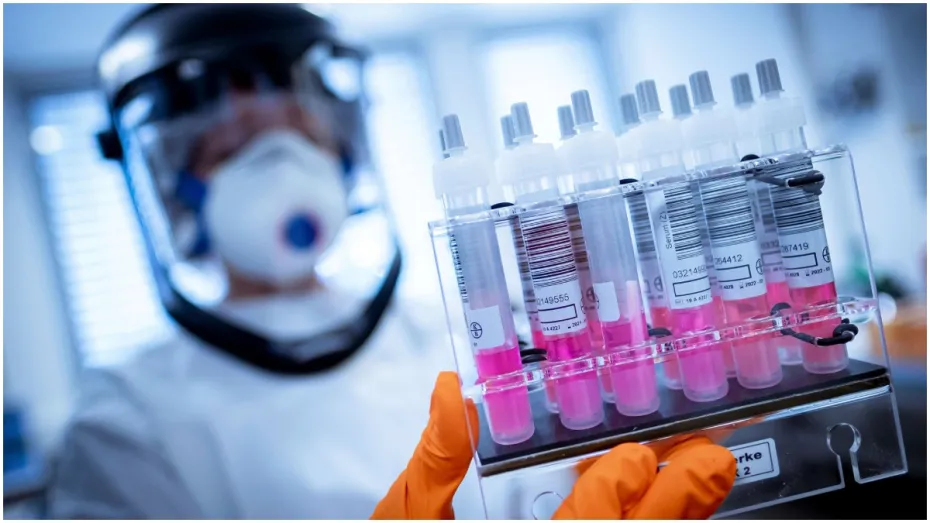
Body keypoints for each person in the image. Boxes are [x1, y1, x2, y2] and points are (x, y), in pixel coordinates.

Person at [48, 3, 736, 519]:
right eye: (231, 149)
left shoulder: (453, 330)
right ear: (171, 187)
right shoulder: (124, 422)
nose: (280, 167)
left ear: (344, 150)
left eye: (302, 134)